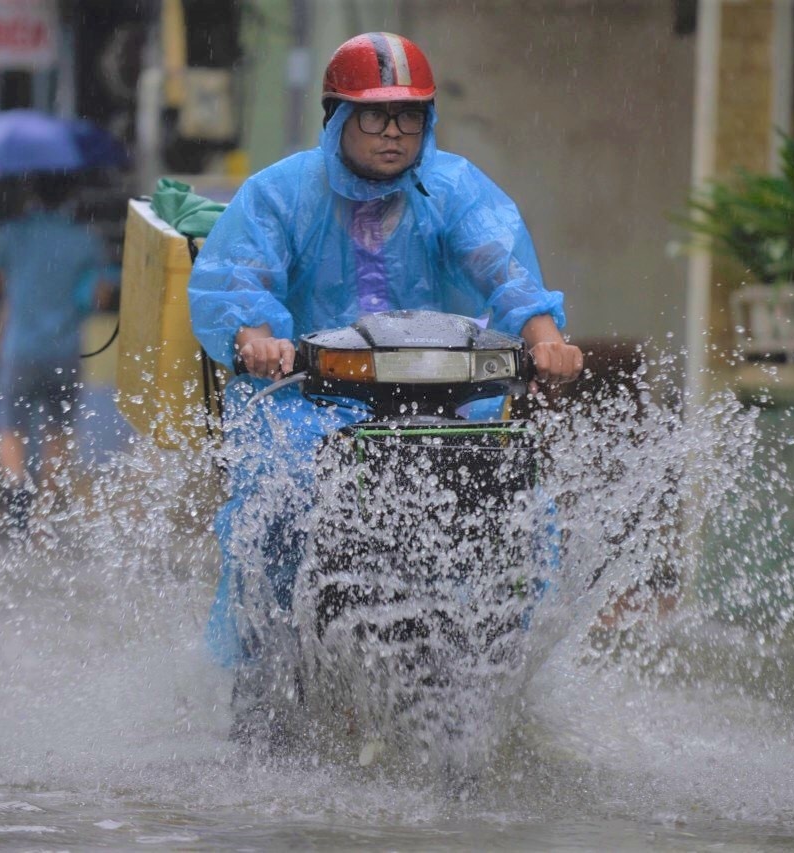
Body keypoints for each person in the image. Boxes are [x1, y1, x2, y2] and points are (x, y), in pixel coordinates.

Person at [188, 32, 583, 737]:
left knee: (527, 518)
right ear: (336, 117)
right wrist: (255, 338)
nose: (394, 131)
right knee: (282, 505)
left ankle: (498, 687)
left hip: (439, 397)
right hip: (306, 402)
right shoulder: (278, 193)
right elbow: (237, 280)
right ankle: (267, 680)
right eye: (374, 116)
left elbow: (504, 267)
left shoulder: (454, 188)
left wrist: (544, 339)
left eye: (409, 115)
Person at [0, 174, 109, 532]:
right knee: (59, 429)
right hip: (65, 351)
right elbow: (100, 295)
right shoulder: (85, 240)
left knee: (10, 426)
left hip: (19, 348)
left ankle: (16, 492)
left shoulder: (13, 234)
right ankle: (48, 509)